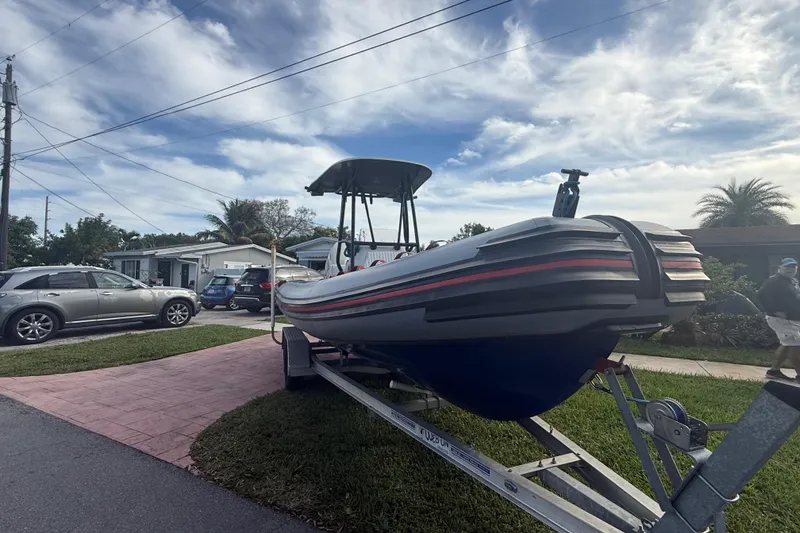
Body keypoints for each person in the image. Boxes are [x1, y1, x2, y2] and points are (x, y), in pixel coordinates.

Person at [757, 257, 800, 380]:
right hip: (781, 320)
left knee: (787, 344)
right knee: (795, 346)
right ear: (779, 268)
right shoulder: (775, 281)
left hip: (792, 320)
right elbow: (761, 295)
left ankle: (773, 371)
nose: (790, 269)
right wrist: (774, 310)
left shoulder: (792, 281)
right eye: (787, 267)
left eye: (793, 267)